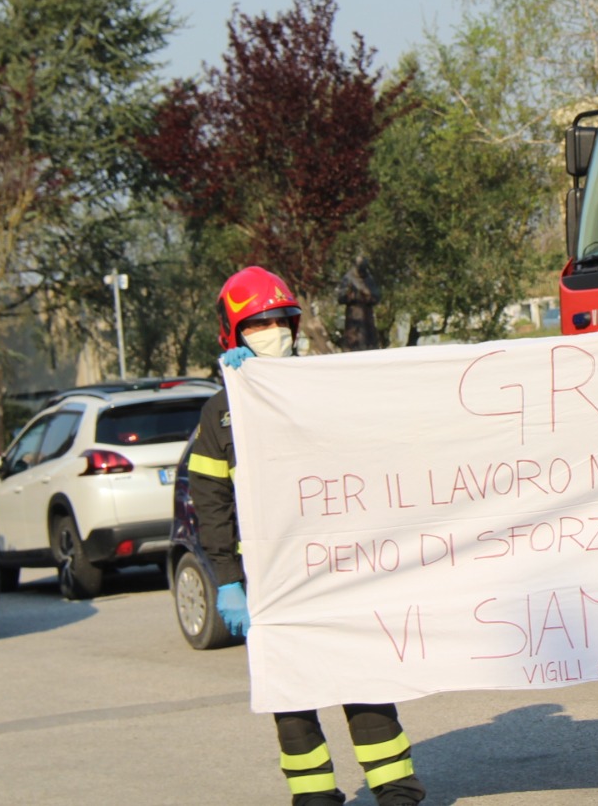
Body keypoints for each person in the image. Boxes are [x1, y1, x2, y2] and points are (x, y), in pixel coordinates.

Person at [188, 266, 427, 806]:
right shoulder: (221, 413)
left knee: (364, 680)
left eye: (280, 320)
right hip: (270, 581)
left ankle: (397, 792)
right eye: (258, 324)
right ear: (235, 338)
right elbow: (210, 504)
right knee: (291, 693)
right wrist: (227, 580)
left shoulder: (326, 386)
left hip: (340, 568)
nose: (273, 332)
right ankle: (315, 797)